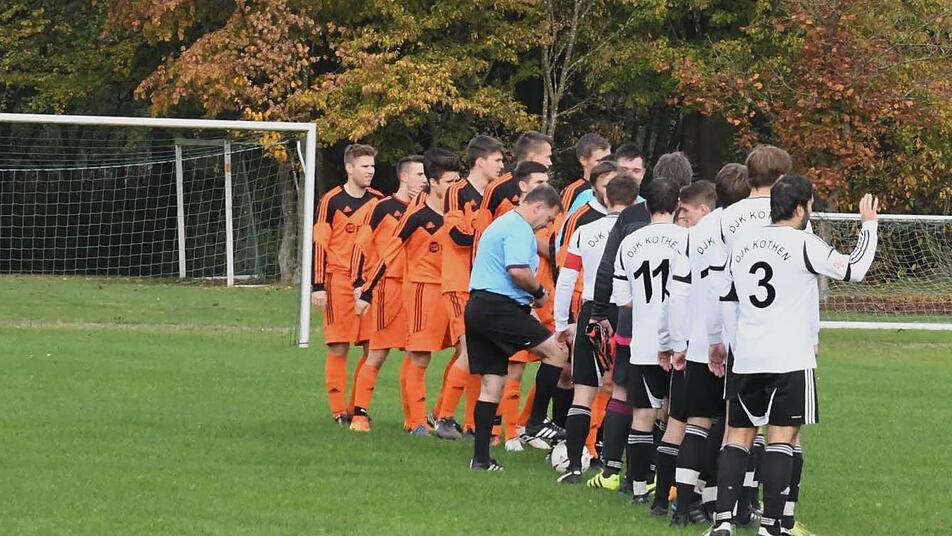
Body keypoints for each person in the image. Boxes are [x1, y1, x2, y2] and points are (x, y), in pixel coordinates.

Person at [706, 177, 879, 536]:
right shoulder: (804, 244)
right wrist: (869, 226)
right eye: (810, 205)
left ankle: (722, 523)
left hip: (748, 355)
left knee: (738, 436)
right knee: (782, 439)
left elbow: (726, 295)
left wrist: (732, 342)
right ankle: (771, 527)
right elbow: (855, 269)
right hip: (789, 357)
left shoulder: (742, 243)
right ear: (800, 208)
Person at [355, 148, 460, 436]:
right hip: (407, 289)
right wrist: (363, 288)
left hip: (453, 292)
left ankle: (439, 415)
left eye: (457, 181)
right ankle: (364, 414)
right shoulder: (404, 213)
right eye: (450, 182)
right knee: (389, 353)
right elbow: (380, 251)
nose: (455, 188)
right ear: (432, 182)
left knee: (467, 353)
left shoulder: (460, 212)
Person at [668, 164, 750, 523]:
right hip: (739, 341)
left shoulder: (696, 233)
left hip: (701, 340)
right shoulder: (752, 228)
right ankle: (737, 507)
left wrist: (679, 341)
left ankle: (684, 507)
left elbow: (679, 293)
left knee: (697, 424)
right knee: (740, 428)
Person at [466, 184, 566, 471]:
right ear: (538, 207)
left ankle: (481, 459)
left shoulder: (503, 223)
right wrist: (539, 293)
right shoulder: (519, 228)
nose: (546, 225)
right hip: (498, 308)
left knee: (492, 385)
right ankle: (536, 420)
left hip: (479, 307)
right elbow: (518, 271)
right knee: (558, 351)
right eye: (548, 219)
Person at [553, 174, 639, 483]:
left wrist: (561, 323)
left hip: (592, 311)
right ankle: (617, 467)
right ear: (636, 202)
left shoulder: (585, 231)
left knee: (583, 391)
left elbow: (566, 279)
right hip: (628, 312)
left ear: (605, 198)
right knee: (623, 390)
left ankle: (575, 466)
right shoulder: (640, 233)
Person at [610, 178, 688, 504]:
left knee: (642, 417)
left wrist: (646, 305)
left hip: (643, 344)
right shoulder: (687, 238)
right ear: (678, 205)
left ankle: (638, 488)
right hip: (681, 344)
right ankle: (671, 489)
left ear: (646, 205)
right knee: (677, 419)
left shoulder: (630, 241)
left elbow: (622, 297)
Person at [432, 135, 506, 440]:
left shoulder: (494, 194)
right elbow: (457, 235)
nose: (502, 165)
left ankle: (472, 422)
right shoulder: (457, 192)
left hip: (482, 285)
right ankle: (443, 418)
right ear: (480, 161)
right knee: (469, 349)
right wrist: (492, 235)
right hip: (458, 282)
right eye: (497, 160)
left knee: (480, 353)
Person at [349, 155, 427, 432]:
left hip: (415, 289)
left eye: (425, 175)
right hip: (387, 287)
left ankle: (414, 420)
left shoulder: (425, 210)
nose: (424, 180)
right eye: (419, 174)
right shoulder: (382, 207)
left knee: (416, 354)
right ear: (404, 176)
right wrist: (359, 282)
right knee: (378, 353)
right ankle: (359, 415)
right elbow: (360, 245)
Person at [311, 144, 383, 425]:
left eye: (372, 166)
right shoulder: (331, 201)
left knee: (371, 347)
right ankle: (338, 411)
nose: (370, 171)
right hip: (337, 281)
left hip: (367, 285)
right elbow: (320, 243)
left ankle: (357, 408)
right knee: (339, 347)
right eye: (365, 166)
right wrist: (318, 285)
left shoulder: (378, 200)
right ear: (349, 168)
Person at [559, 133, 611, 215]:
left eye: (609, 160)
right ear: (583, 160)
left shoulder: (616, 188)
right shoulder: (573, 191)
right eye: (599, 161)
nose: (605, 164)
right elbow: (561, 220)